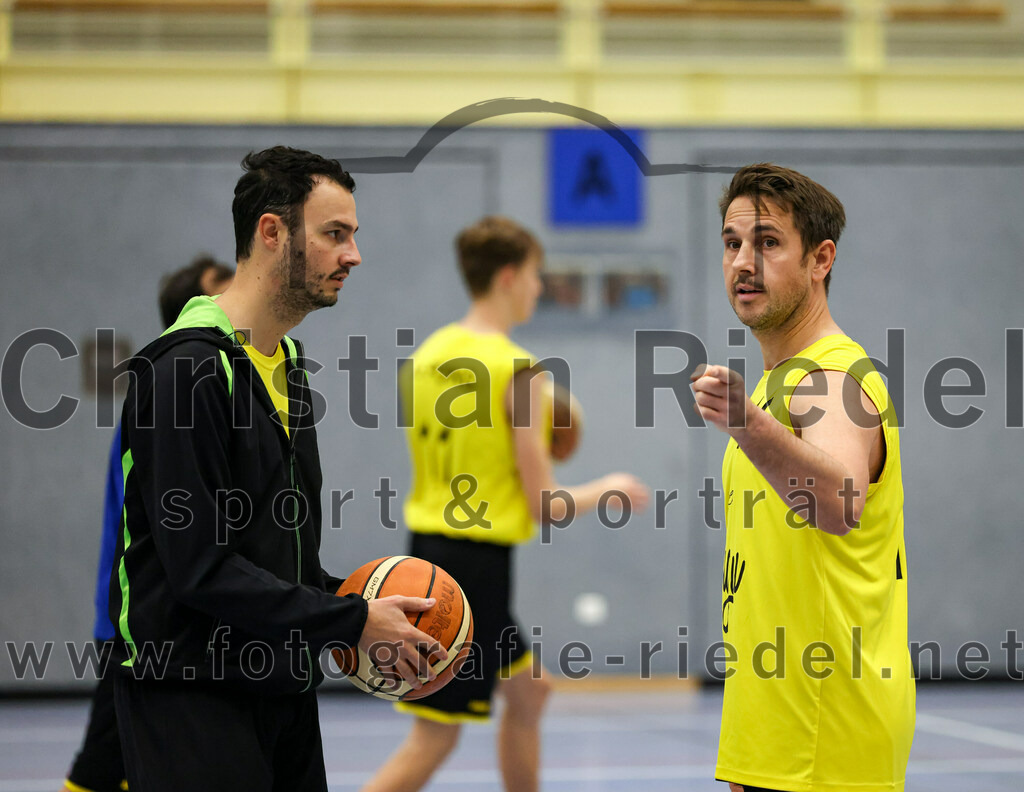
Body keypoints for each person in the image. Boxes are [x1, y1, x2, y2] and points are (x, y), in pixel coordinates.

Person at [107, 146, 445, 792]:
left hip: (283, 688)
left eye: (353, 235)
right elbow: (200, 568)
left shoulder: (285, 364)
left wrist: (365, 602)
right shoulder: (186, 371)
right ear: (272, 232)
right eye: (334, 234)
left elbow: (267, 553)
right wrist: (349, 620)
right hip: (190, 695)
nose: (354, 256)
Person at [362, 216, 650, 792]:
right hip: (475, 566)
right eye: (537, 276)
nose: (540, 288)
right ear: (510, 276)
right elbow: (545, 503)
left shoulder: (425, 358)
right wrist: (610, 487)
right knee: (434, 737)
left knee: (530, 689)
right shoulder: (519, 372)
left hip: (431, 552)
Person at [690, 164, 915, 792]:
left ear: (821, 259)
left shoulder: (832, 378)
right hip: (777, 720)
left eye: (767, 243)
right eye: (733, 244)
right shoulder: (781, 380)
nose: (742, 262)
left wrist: (747, 424)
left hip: (827, 723)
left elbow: (840, 502)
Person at [62, 254, 234, 792]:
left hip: (167, 631)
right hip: (134, 628)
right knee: (100, 768)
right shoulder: (168, 395)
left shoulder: (209, 389)